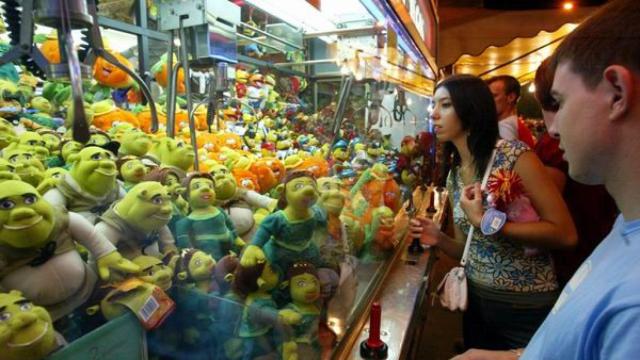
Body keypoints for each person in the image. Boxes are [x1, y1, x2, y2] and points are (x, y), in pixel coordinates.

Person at [447, 0, 640, 358]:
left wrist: (488, 222)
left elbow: (561, 233)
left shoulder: (633, 306)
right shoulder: (624, 229)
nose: (550, 128)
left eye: (559, 102)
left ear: (617, 93)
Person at [411, 74, 577, 350]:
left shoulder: (515, 156)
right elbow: (467, 247)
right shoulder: (454, 176)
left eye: (445, 105)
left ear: (471, 109)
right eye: (433, 105)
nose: (434, 114)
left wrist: (488, 221)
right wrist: (439, 238)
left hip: (523, 306)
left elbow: (565, 233)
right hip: (476, 303)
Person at [533, 58, 618, 287]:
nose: (554, 129)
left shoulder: (551, 146)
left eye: (561, 102)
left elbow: (548, 219)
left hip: (575, 263)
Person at [487, 75, 536, 148]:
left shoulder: (505, 127)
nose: (487, 100)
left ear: (511, 97)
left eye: (494, 96)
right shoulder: (515, 124)